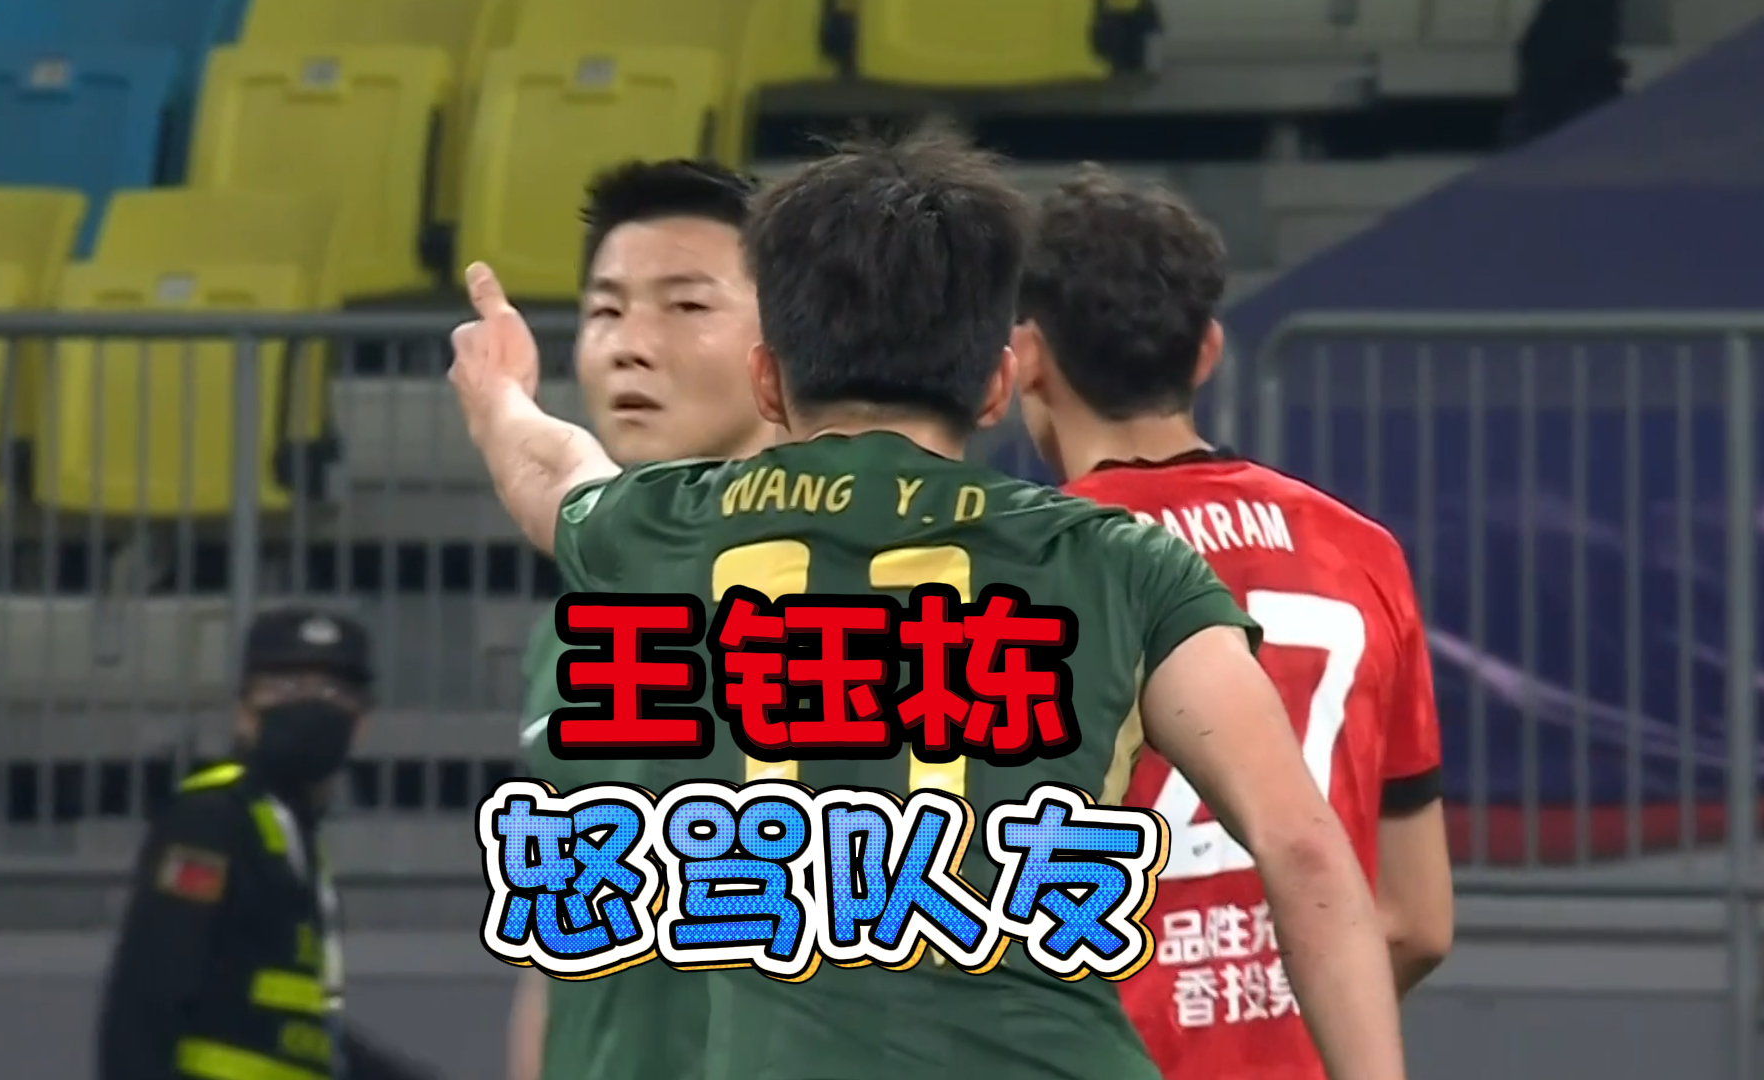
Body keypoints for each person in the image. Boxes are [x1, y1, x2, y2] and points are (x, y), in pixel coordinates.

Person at [449, 126, 1408, 1080]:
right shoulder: (1124, 562)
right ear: (997, 383)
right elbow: (1303, 848)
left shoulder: (669, 531)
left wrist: (499, 396)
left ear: (767, 379)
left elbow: (552, 473)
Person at [1011, 167, 1454, 1080]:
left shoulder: (1018, 575)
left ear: (1027, 358)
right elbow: (1419, 921)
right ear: (1207, 351)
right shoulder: (1359, 551)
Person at [507, 158, 774, 1080]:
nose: (630, 345)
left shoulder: (864, 604)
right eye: (607, 311)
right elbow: (556, 947)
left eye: (686, 305)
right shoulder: (577, 623)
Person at [96, 607, 436, 1080]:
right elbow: (145, 1003)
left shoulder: (292, 839)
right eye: (285, 688)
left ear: (360, 722)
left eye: (332, 693)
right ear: (244, 713)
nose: (310, 707)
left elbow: (294, 1032)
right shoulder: (212, 820)